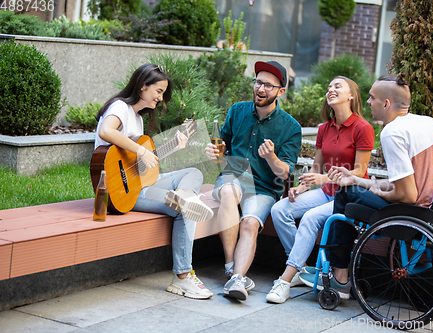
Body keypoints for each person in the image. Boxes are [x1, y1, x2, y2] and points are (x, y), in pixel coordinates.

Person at [94, 63, 214, 300]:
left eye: (162, 93)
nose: (160, 97)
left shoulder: (137, 119)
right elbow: (106, 132)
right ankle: (182, 278)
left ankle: (184, 195)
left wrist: (174, 147)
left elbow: (140, 164)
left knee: (194, 173)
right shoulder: (120, 107)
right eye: (158, 91)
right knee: (185, 211)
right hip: (122, 192)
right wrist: (141, 151)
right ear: (142, 87)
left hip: (140, 183)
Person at [325, 72, 433, 298]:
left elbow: (407, 195)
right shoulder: (427, 122)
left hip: (411, 214)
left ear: (387, 103)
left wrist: (367, 188)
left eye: (372, 98)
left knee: (344, 194)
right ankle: (343, 273)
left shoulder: (392, 132)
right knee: (351, 186)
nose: (369, 102)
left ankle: (341, 277)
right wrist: (358, 180)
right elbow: (406, 181)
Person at [265, 76, 374, 304]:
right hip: (325, 192)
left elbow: (359, 171)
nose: (330, 89)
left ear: (351, 95)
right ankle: (300, 267)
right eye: (329, 86)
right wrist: (302, 187)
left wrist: (323, 176)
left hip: (348, 197)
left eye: (337, 86)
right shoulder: (324, 128)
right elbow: (317, 166)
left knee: (310, 218)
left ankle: (284, 281)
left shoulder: (363, 128)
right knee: (280, 210)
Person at [205, 61, 302, 301]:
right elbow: (222, 149)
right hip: (233, 176)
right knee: (228, 190)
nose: (260, 88)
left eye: (268, 85)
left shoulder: (291, 127)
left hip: (263, 187)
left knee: (250, 223)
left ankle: (237, 278)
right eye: (258, 82)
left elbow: (284, 173)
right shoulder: (237, 111)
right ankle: (231, 269)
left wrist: (271, 157)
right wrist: (215, 153)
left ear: (281, 91)